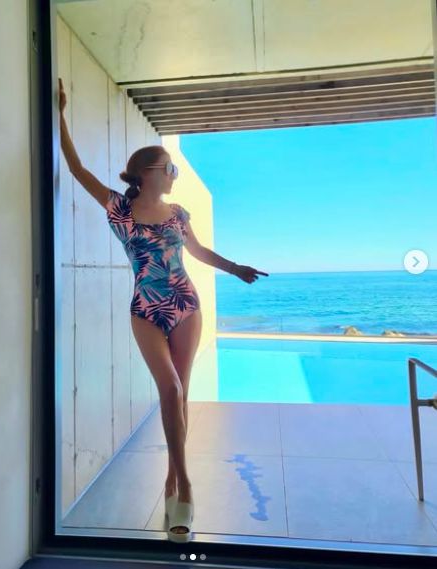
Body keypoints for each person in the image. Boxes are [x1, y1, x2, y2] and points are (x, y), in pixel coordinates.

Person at [58, 77, 269, 543]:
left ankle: (174, 483)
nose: (174, 174)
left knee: (181, 394)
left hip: (186, 305)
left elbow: (198, 252)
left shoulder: (178, 214)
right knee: (169, 389)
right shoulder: (118, 208)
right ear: (150, 171)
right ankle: (185, 484)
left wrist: (235, 268)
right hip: (145, 308)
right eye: (170, 168)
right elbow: (76, 168)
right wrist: (61, 114)